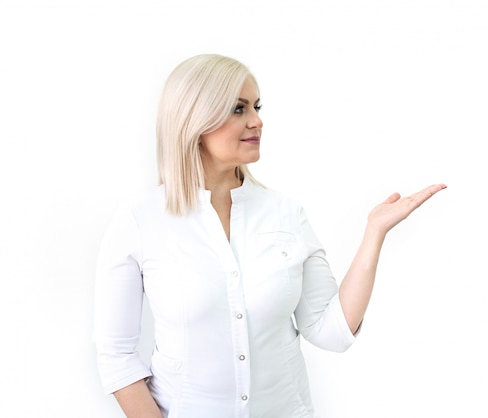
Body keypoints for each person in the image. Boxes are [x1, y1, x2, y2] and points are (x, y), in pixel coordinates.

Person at [92, 53, 446, 418]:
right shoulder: (140, 221)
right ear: (194, 120)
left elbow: (331, 332)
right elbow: (116, 354)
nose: (257, 121)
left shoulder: (286, 214)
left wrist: (374, 233)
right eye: (238, 109)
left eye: (257, 107)